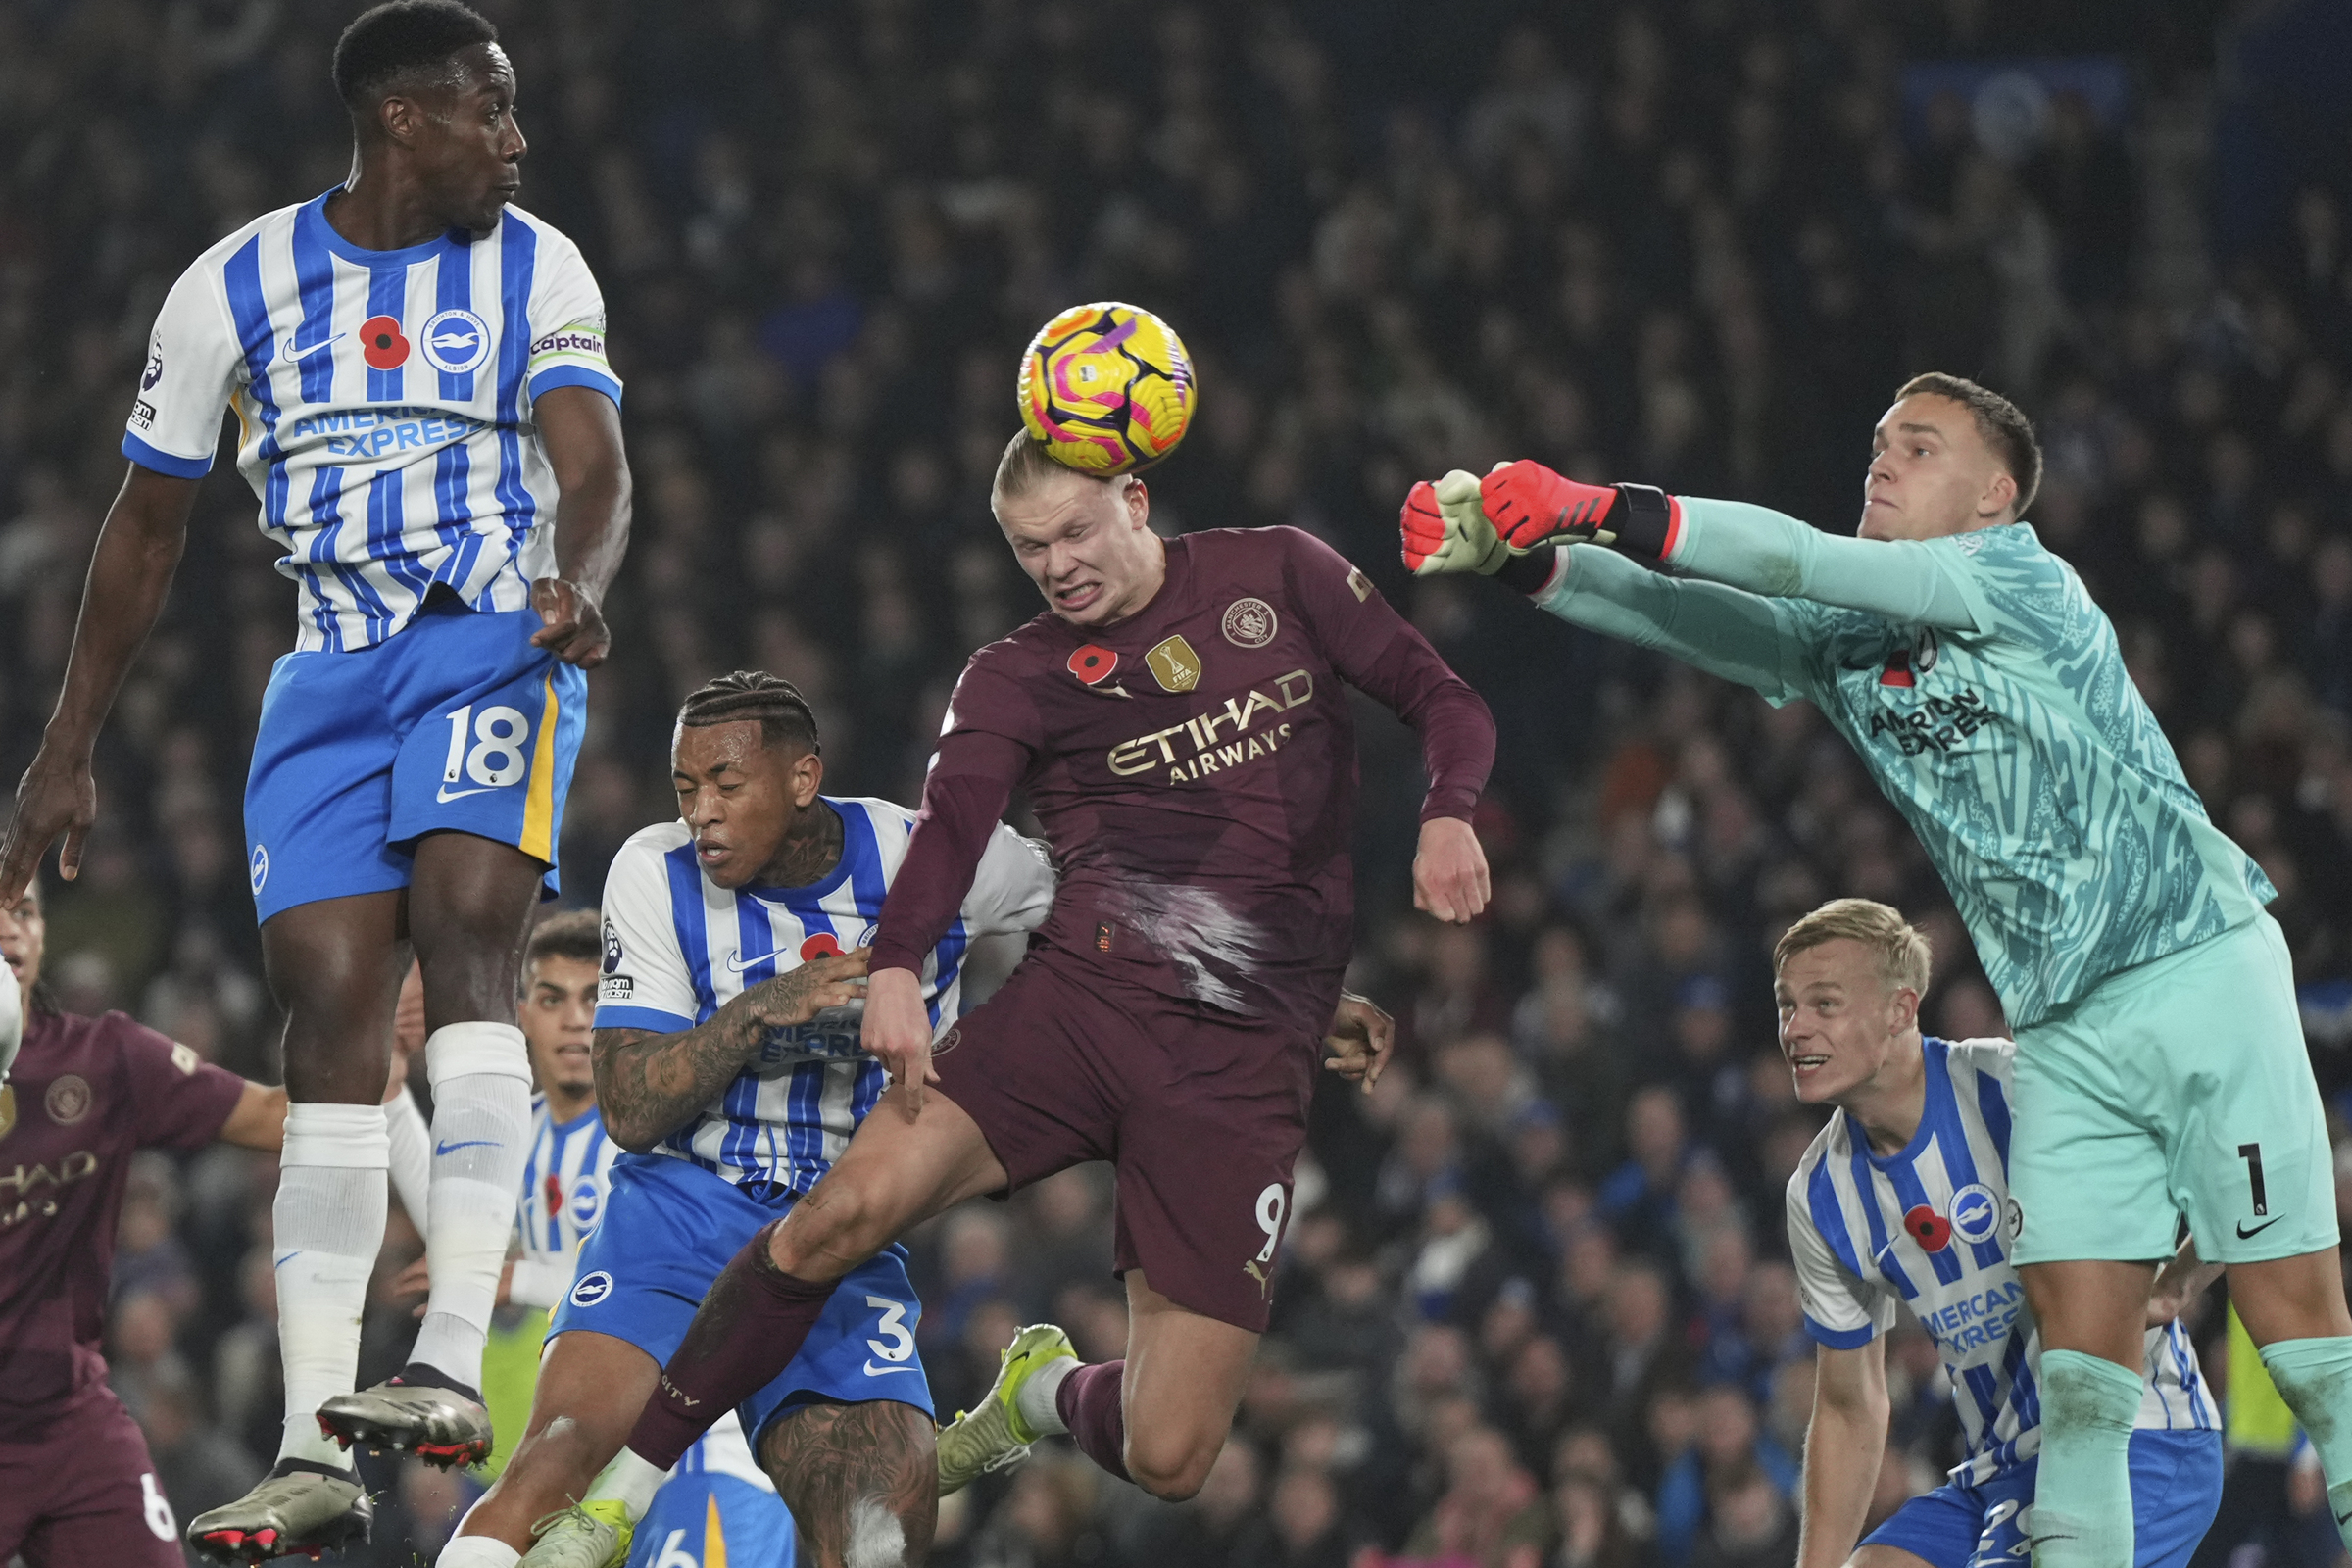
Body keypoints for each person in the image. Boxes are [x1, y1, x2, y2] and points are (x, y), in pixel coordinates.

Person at [1400, 370, 2347, 1568]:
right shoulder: (1848, 645)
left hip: (2193, 955)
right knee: (2083, 1369)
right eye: (1877, 444)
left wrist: (1596, 502)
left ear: (1993, 497)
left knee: (2303, 1336)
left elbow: (1791, 559)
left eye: (1921, 447)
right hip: (2063, 1018)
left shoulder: (2016, 575)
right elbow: (1682, 616)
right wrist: (1523, 560)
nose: (1882, 463)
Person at [528, 434, 1492, 1566]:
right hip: (1077, 1010)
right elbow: (950, 834)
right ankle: (622, 1494)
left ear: (1138, 501)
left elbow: (1442, 695)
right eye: (1031, 549)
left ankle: (1037, 1396)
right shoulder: (1016, 674)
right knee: (836, 1216)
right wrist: (895, 966)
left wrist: (1450, 810)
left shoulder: (1278, 573)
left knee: (1172, 1453)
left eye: (1076, 533)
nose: (1058, 566)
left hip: (1238, 1064)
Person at [0, 0, 632, 1556]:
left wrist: (577, 580)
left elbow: (594, 462)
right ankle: (310, 1446)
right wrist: (66, 749)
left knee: (473, 942)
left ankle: (446, 1359)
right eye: (493, 110)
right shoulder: (232, 285)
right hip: (326, 682)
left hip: (490, 642)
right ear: (407, 119)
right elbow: (145, 526)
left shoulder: (539, 263)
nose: (517, 137)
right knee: (330, 1024)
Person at [450, 670, 1057, 1568]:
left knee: (875, 1538)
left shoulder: (928, 856)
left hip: (843, 1225)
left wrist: (1292, 1005)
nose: (701, 812)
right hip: (681, 1210)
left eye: (726, 786)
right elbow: (630, 1107)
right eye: (687, 788)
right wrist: (757, 1010)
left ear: (804, 780)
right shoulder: (653, 870)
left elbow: (1107, 913)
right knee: (557, 1455)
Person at [1773, 898, 2222, 1568]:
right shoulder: (1819, 1195)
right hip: (1999, 1468)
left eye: (1824, 1005)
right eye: (1786, 1006)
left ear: (1900, 1008)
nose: (1795, 1029)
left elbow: (2219, 1149)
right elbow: (1848, 1406)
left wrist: (2178, 1282)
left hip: (2137, 1437)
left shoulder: (2016, 1089)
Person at [0, 876, 292, 1565]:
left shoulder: (107, 1058)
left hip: (70, 1421)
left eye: (25, 910)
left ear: (46, 933)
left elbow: (271, 1116)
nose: (11, 928)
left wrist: (381, 1063)